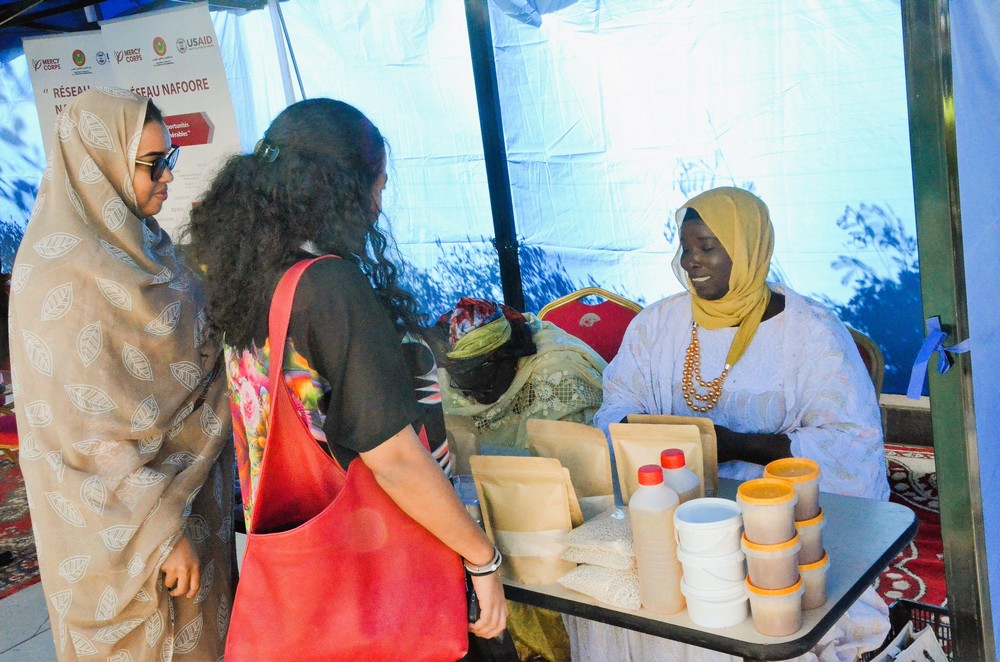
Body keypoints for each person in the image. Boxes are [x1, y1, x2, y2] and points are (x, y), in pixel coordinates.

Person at [186, 98, 507, 648]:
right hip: (377, 560)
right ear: (338, 189)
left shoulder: (251, 280)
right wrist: (482, 558)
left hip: (303, 555)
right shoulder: (328, 286)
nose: (379, 204)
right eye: (376, 185)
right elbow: (396, 459)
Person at [573, 186, 890, 660]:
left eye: (707, 247)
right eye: (685, 248)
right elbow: (615, 408)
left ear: (748, 249)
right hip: (671, 507)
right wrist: (680, 445)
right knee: (625, 600)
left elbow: (850, 445)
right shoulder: (659, 324)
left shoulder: (811, 333)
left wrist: (736, 445)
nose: (690, 262)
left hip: (774, 521)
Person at [9, 88, 234, 660]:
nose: (167, 178)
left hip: (193, 506)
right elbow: (87, 431)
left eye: (170, 159)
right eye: (151, 165)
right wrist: (161, 535)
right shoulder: (65, 277)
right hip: (131, 532)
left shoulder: (146, 247)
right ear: (99, 165)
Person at [433, 297, 607, 453]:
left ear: (509, 355)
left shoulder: (557, 369)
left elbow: (581, 461)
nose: (472, 392)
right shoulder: (444, 378)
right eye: (464, 376)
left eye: (483, 372)